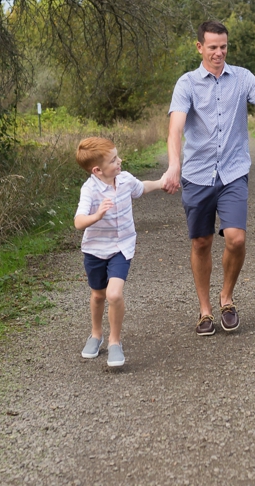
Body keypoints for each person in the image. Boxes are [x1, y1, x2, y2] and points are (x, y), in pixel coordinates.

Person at [163, 20, 255, 336]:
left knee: (236, 238)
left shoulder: (242, 78)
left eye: (223, 46)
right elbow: (175, 128)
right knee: (201, 241)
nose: (219, 52)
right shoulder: (186, 83)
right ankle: (205, 311)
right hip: (197, 175)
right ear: (199, 47)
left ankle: (226, 298)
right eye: (212, 47)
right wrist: (174, 165)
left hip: (233, 173)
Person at [73, 137, 166, 368]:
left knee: (113, 294)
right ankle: (96, 335)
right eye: (114, 160)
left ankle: (115, 341)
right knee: (98, 295)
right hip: (95, 250)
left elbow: (141, 188)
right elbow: (78, 221)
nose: (119, 161)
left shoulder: (124, 180)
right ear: (97, 170)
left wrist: (161, 182)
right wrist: (97, 216)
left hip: (121, 248)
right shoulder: (90, 189)